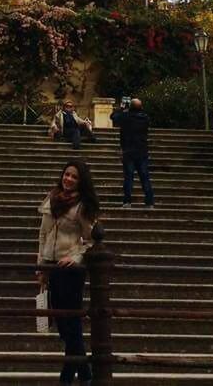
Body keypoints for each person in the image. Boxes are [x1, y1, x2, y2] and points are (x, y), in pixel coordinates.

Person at [36, 159, 100, 386]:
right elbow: (42, 236)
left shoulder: (81, 206)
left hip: (69, 271)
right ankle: (84, 375)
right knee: (65, 328)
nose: (69, 179)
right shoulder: (51, 198)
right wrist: (41, 267)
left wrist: (74, 257)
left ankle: (70, 378)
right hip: (51, 267)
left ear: (81, 182)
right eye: (67, 174)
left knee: (70, 324)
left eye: (74, 177)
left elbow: (91, 240)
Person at [111, 97, 154, 208]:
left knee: (128, 177)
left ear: (130, 107)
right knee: (144, 177)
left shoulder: (125, 117)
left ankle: (127, 201)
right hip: (142, 151)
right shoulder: (145, 118)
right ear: (141, 108)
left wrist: (121, 109)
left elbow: (113, 117)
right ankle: (149, 202)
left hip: (128, 151)